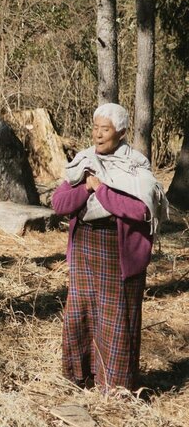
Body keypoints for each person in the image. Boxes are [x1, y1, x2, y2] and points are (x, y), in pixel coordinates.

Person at [51, 103, 168, 392]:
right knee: (81, 311)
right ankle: (80, 376)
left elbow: (140, 210)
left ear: (122, 132)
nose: (98, 135)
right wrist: (86, 187)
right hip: (85, 247)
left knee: (115, 316)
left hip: (118, 251)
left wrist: (101, 189)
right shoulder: (83, 161)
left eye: (105, 129)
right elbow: (59, 204)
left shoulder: (135, 166)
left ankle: (114, 386)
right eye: (95, 128)